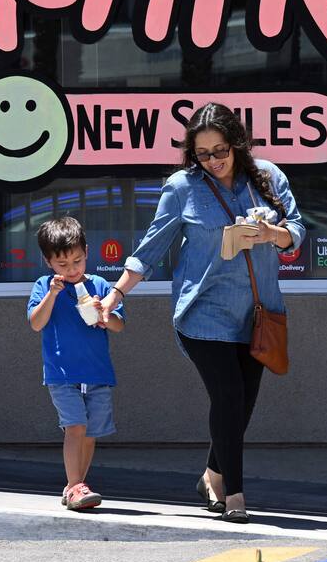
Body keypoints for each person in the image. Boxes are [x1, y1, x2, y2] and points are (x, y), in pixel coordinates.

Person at [98, 103, 304, 524]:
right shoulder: (182, 187)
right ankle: (235, 496)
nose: (213, 161)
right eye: (203, 154)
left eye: (220, 150)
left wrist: (272, 233)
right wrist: (116, 294)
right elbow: (151, 248)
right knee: (227, 398)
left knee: (241, 406)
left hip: (257, 314)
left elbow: (297, 231)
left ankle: (212, 473)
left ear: (237, 144)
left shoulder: (266, 178)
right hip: (202, 312)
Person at [27, 216, 125, 510]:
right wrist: (52, 295)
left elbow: (119, 324)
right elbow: (35, 323)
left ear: (87, 252)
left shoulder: (99, 284)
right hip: (62, 373)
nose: (71, 270)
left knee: (91, 433)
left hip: (97, 372)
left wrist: (104, 315)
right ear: (48, 262)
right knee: (75, 427)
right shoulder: (44, 286)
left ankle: (76, 486)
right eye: (63, 265)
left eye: (77, 261)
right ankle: (75, 487)